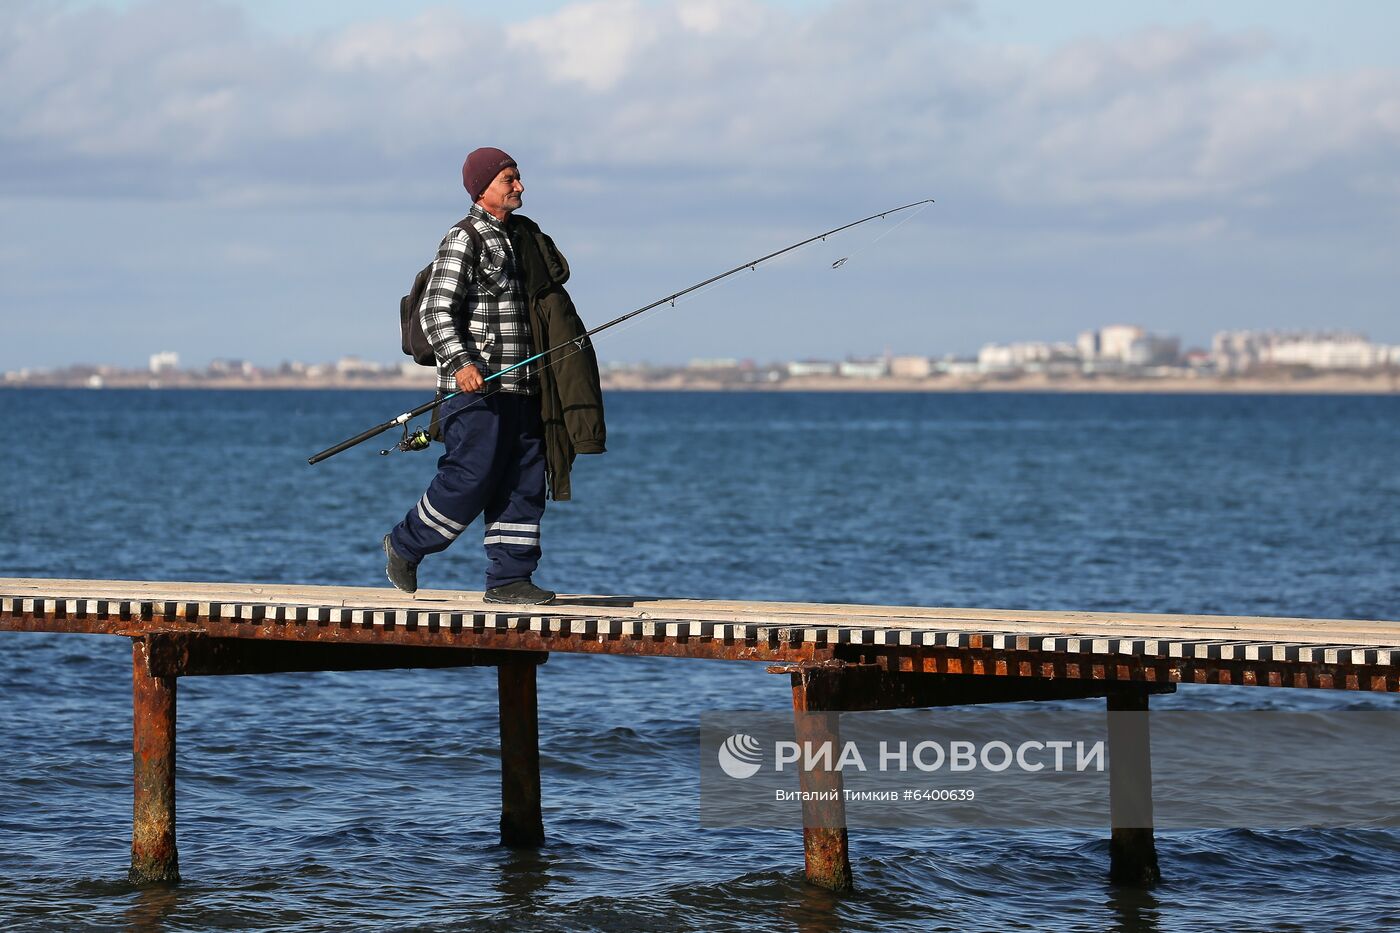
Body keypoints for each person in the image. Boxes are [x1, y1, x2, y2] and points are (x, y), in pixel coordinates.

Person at [383, 147, 595, 604]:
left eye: (518, 178)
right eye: (509, 179)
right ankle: (405, 544)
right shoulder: (463, 239)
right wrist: (461, 364)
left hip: (525, 388)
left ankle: (509, 580)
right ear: (483, 188)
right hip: (475, 391)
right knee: (471, 478)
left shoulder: (522, 239)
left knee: (524, 481)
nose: (519, 186)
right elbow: (437, 312)